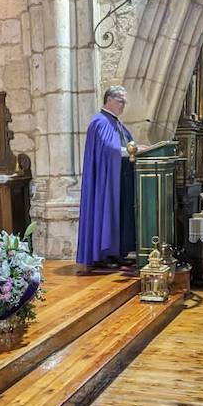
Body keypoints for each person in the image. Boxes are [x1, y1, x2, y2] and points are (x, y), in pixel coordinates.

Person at [76, 86, 154, 270]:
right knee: (108, 213)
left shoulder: (115, 122)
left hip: (119, 177)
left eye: (125, 101)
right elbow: (108, 150)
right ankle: (103, 254)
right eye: (120, 101)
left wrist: (137, 148)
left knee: (120, 214)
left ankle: (118, 252)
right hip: (106, 181)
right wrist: (131, 150)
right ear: (108, 99)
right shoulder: (101, 121)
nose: (123, 105)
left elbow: (125, 145)